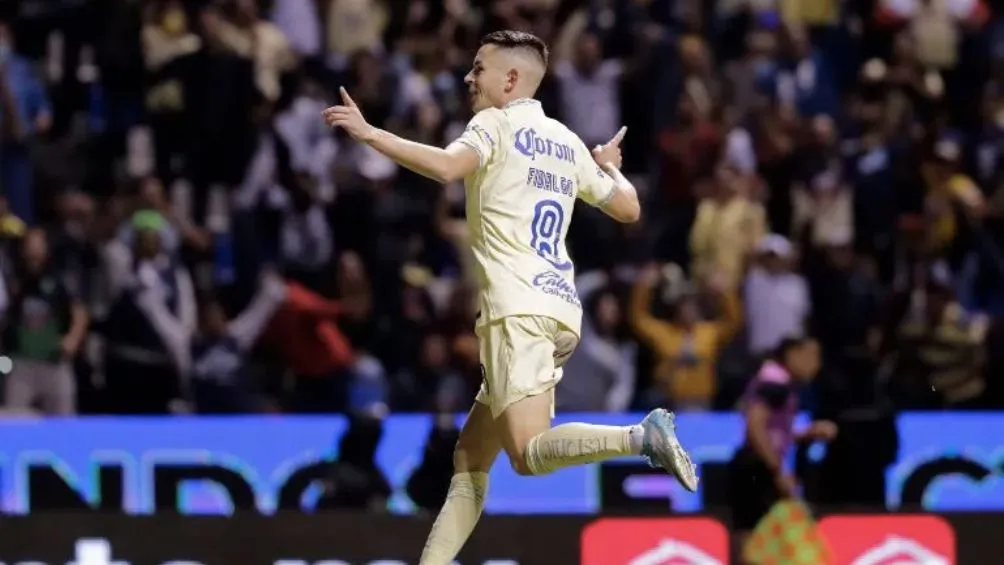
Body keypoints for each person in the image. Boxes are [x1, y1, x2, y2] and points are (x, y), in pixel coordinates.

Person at [323, 30, 698, 565]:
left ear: (511, 79)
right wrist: (609, 164)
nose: (469, 77)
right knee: (470, 460)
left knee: (527, 455)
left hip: (516, 311)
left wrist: (369, 133)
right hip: (558, 311)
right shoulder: (565, 141)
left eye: (479, 67)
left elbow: (446, 167)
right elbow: (629, 209)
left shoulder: (494, 123)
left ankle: (641, 437)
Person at [726, 336, 837, 555]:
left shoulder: (776, 382)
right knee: (751, 533)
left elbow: (773, 432)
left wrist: (807, 434)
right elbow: (755, 426)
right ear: (792, 354)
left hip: (758, 464)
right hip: (756, 466)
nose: (816, 364)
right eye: (812, 356)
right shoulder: (774, 384)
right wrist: (777, 471)